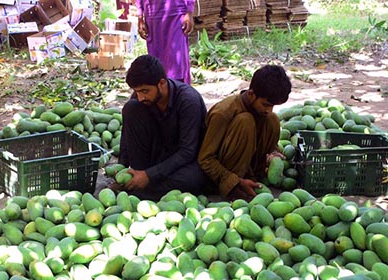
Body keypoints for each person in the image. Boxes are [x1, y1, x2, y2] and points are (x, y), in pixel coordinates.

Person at [117, 55, 207, 200]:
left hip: (184, 162)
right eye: (137, 91)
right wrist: (121, 168)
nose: (140, 97)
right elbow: (127, 133)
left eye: (145, 91)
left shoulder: (188, 101)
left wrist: (149, 175)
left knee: (193, 180)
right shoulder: (141, 96)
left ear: (162, 83)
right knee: (130, 108)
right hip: (156, 156)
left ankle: (140, 188)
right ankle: (137, 181)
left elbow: (187, 151)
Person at [198, 64, 292, 201]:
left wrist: (273, 153)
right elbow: (205, 159)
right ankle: (236, 188)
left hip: (251, 169)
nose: (269, 110)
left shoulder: (265, 113)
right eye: (266, 105)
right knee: (245, 121)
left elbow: (265, 141)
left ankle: (254, 178)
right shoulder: (223, 113)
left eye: (273, 106)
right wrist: (234, 181)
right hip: (221, 175)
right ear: (251, 94)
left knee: (272, 119)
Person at [137, 0, 194, 84]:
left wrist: (189, 11)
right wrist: (140, 15)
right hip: (152, 14)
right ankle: (160, 93)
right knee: (156, 63)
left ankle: (179, 92)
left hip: (177, 11)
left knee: (177, 61)